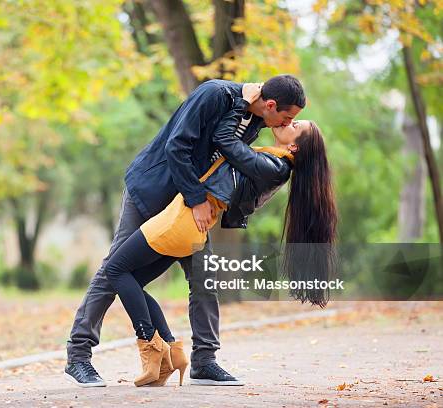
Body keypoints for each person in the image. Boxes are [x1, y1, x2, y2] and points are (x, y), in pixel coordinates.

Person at [65, 75, 306, 387]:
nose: (286, 124)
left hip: (189, 208)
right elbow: (176, 146)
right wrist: (196, 200)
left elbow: (226, 157)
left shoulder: (256, 120)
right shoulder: (215, 95)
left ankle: (204, 361)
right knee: (113, 271)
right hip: (154, 192)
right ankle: (78, 356)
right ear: (271, 105)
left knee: (204, 277)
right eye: (287, 117)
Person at [104, 120, 338, 386]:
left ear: (294, 145)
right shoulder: (274, 161)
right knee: (133, 281)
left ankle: (152, 347)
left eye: (295, 125)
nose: (289, 122)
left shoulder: (273, 167)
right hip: (189, 224)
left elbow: (227, 142)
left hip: (181, 220)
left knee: (115, 269)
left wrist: (246, 113)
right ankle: (172, 351)